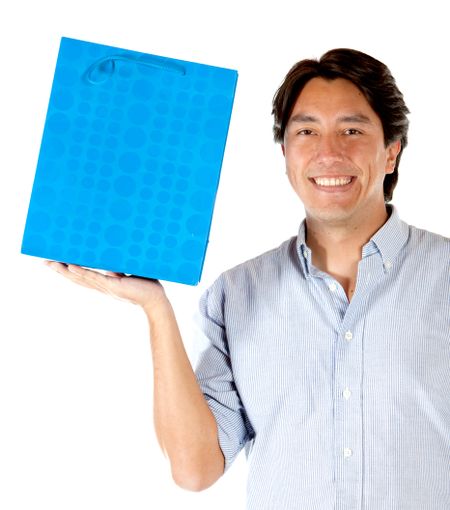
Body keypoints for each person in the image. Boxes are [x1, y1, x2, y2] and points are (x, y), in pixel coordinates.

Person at [46, 48, 450, 509]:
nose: (329, 151)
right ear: (286, 154)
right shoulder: (236, 295)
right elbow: (196, 469)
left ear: (391, 152)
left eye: (352, 130)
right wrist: (155, 309)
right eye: (306, 131)